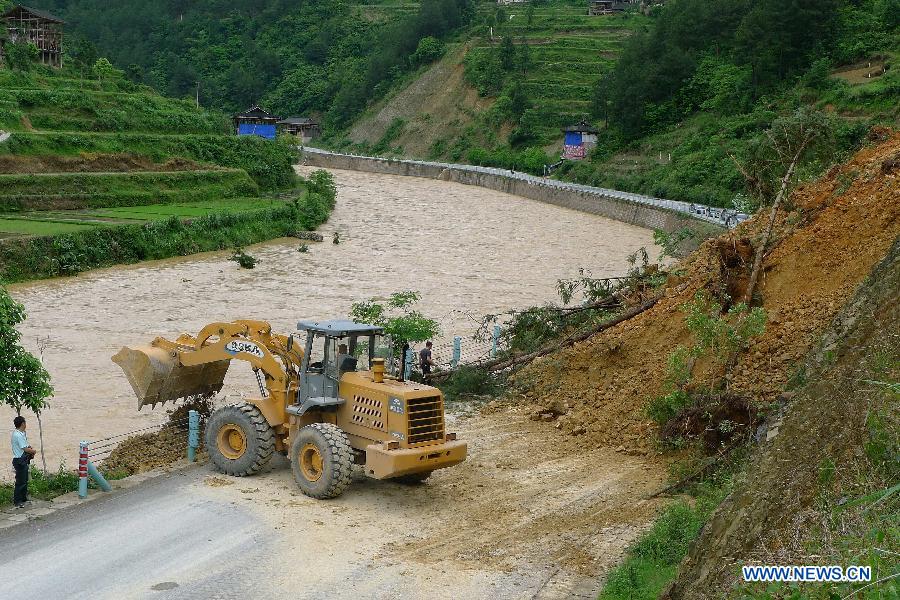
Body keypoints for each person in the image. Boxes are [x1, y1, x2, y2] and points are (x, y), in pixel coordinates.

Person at [11, 416, 36, 509]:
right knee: (20, 482)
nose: (26, 424)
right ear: (22, 424)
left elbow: (25, 445)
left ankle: (23, 499)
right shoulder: (18, 435)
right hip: (20, 460)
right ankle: (17, 501)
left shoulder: (19, 433)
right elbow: (25, 449)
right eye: (25, 423)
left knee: (24, 480)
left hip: (20, 460)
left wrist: (29, 447)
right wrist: (33, 451)